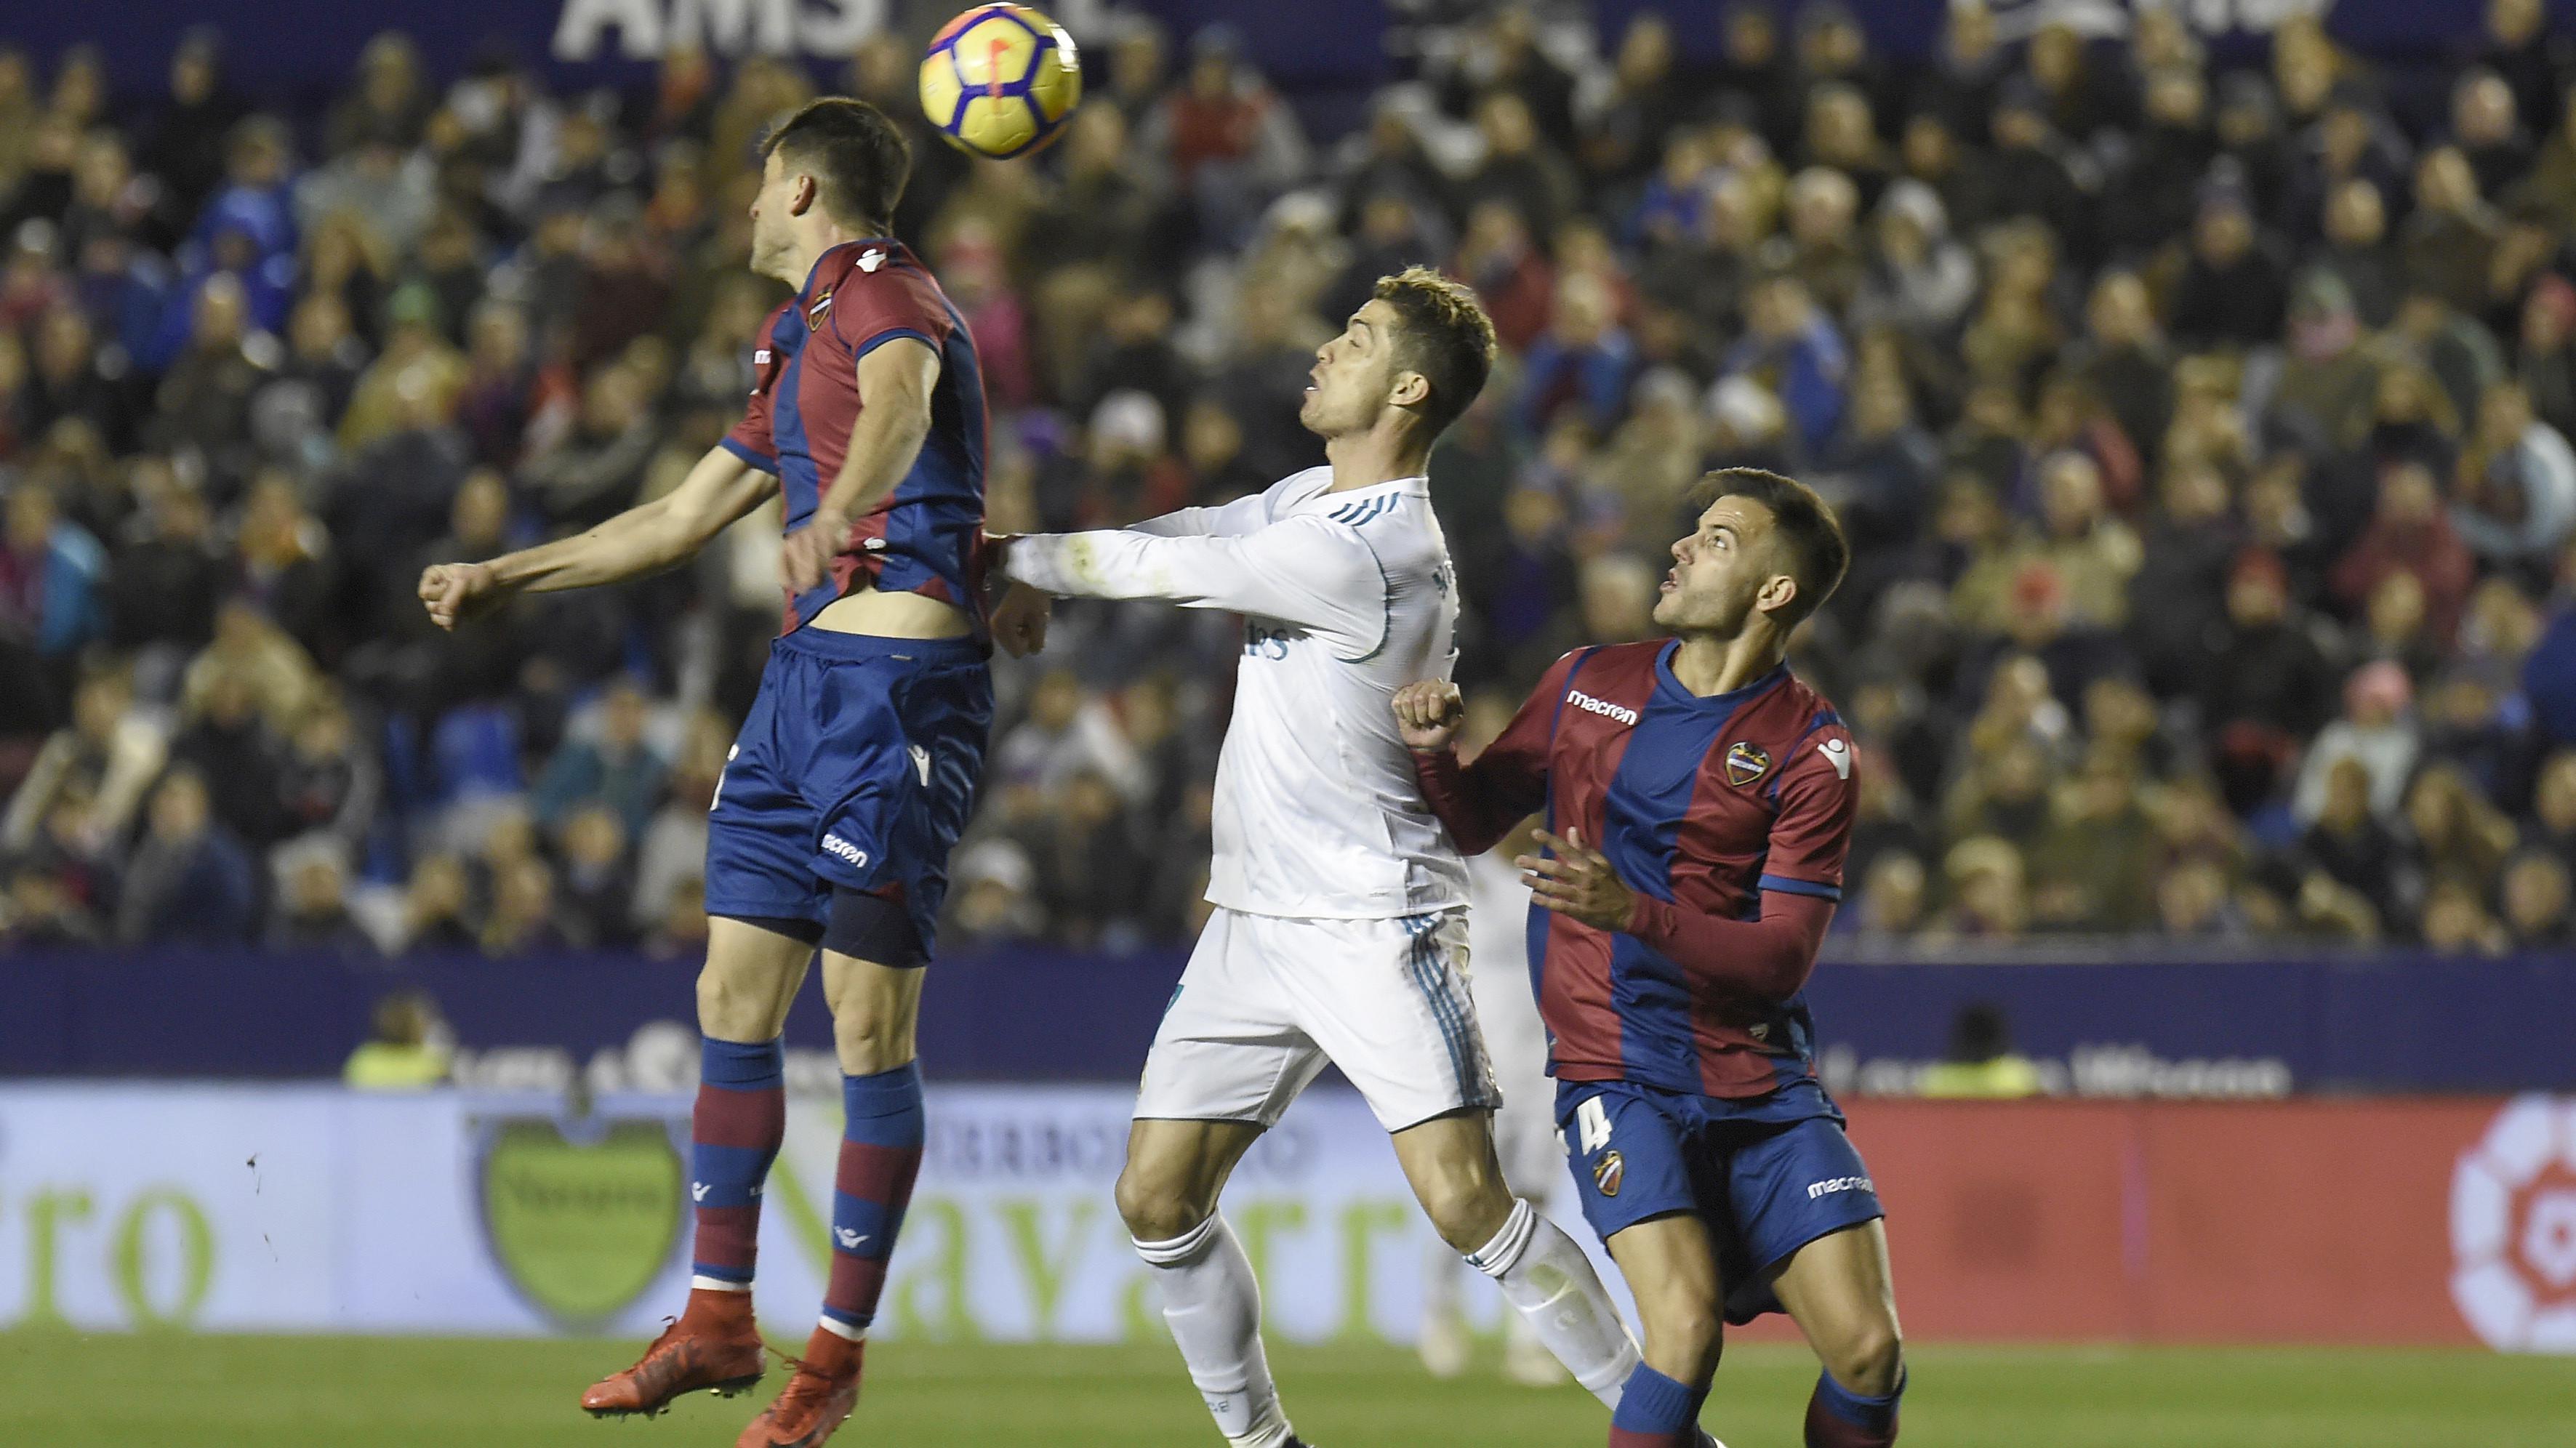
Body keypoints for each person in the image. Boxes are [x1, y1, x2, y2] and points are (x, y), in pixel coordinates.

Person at [418, 97, 1006, 1448]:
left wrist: (850, 503)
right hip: (798, 692)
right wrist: (514, 574)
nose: (742, 209)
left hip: (897, 689)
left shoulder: (883, 287)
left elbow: (907, 400)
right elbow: (685, 516)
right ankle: (720, 1313)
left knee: (865, 1026)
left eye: (757, 187)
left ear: (802, 190)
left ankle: (837, 1355)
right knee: (730, 991)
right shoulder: (794, 336)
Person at [989, 269, 1654, 1448]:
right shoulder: (1311, 499)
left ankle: (1664, 1428)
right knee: (1155, 1198)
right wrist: (1030, 564)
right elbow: (1196, 533)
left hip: (1372, 918)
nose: (1319, 352)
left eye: (1350, 338)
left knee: (1467, 1203)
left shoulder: (1374, 553)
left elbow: (1163, 573)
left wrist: (1011, 559)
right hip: (1254, 919)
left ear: (1405, 385)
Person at [1395, 467, 1903, 1448]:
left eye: (1716, 539)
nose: (1680, 546)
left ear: (1771, 590)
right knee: (1680, 1332)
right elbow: (1471, 821)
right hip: (1617, 1077)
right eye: (1692, 530)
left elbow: (1780, 959)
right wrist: (1430, 752)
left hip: (1758, 1084)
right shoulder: (1587, 681)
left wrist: (1632, 910)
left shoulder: (1811, 752)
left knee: (1870, 1354)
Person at [1418, 696, 1570, 1388]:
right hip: (1474, 1055)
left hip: (1542, 1061)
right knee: (1467, 1197)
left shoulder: (1553, 877)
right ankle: (1438, 1312)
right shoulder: (1463, 873)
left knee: (1533, 1196)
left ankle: (1526, 1334)